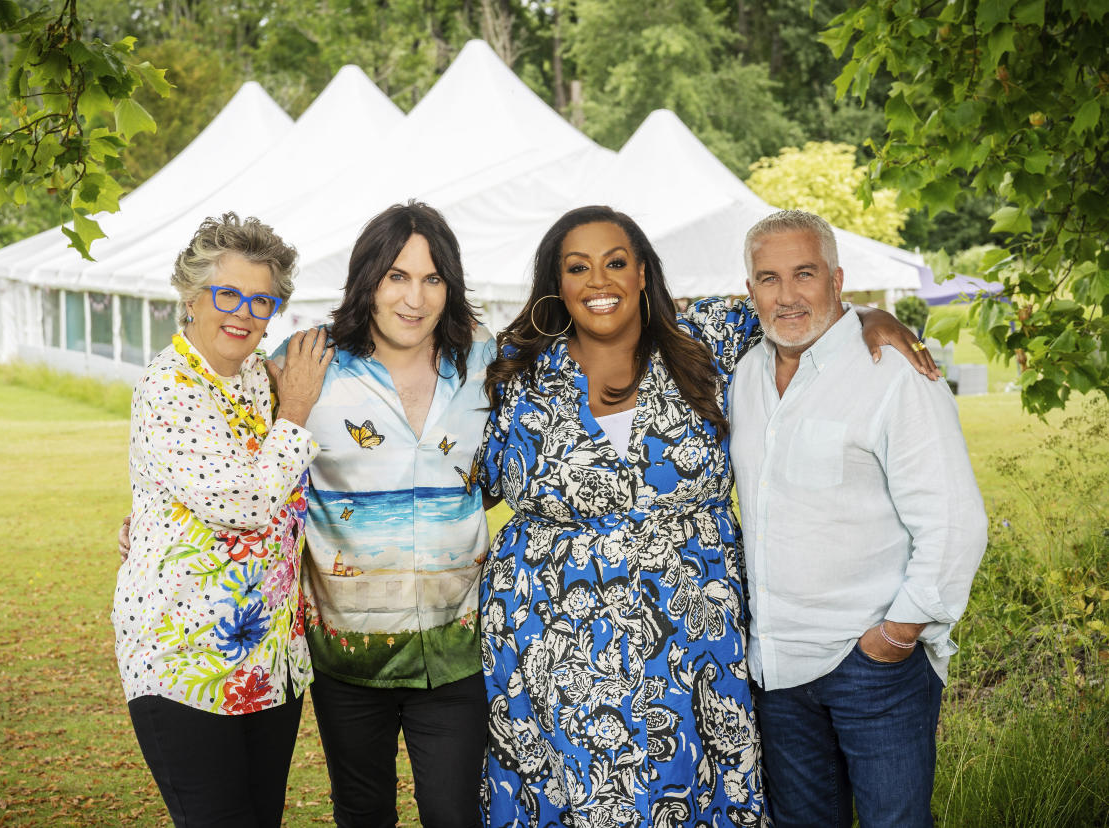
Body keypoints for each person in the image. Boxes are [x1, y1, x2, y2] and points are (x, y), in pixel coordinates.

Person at [475, 205, 931, 828]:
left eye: (615, 263)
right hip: (552, 640)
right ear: (557, 285)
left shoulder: (705, 339)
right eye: (578, 268)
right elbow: (474, 483)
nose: (599, 281)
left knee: (688, 794)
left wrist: (873, 317)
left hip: (692, 641)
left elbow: (800, 304)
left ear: (642, 273)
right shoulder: (520, 370)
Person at [728, 210, 987, 827]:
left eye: (805, 274)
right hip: (776, 668)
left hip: (872, 665)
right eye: (768, 279)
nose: (787, 296)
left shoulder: (894, 373)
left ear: (838, 280)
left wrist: (894, 639)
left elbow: (955, 522)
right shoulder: (741, 375)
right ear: (750, 292)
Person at [272, 201, 493, 827]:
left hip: (457, 650)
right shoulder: (306, 361)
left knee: (455, 814)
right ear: (366, 279)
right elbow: (236, 453)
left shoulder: (483, 362)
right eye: (397, 276)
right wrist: (157, 519)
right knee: (363, 813)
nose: (414, 298)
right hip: (348, 656)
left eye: (431, 278)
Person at [112, 213, 332, 827]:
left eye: (262, 300)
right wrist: (296, 415)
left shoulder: (264, 380)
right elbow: (243, 505)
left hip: (269, 658)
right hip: (185, 658)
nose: (243, 312)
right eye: (227, 294)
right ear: (190, 297)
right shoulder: (169, 385)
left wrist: (150, 520)